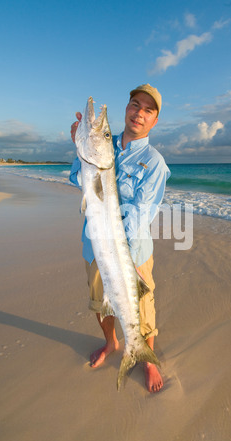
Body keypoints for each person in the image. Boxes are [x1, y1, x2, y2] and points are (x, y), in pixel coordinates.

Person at [69, 84, 170, 393]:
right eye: (134, 105)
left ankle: (145, 356)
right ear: (127, 109)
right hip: (94, 246)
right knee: (102, 302)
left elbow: (141, 215)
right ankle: (111, 343)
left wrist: (119, 258)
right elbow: (78, 178)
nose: (139, 112)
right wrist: (79, 144)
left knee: (141, 306)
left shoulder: (155, 164)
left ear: (154, 121)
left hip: (131, 253)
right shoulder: (104, 148)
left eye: (148, 110)